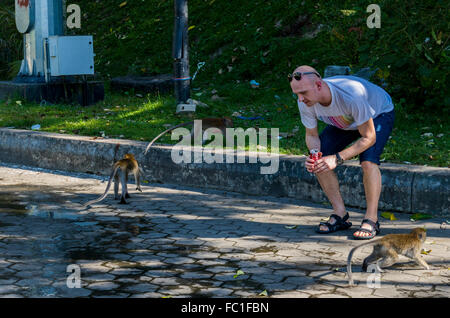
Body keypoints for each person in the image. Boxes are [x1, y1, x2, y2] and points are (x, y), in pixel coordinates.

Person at [289, 65, 395, 240]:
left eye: (304, 93)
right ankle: (340, 215)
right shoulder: (305, 101)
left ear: (319, 85)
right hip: (346, 120)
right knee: (320, 159)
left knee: (368, 161)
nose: (300, 99)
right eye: (297, 94)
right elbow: (311, 135)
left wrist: (337, 158)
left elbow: (369, 138)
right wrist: (315, 154)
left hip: (377, 113)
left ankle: (371, 219)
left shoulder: (351, 95)